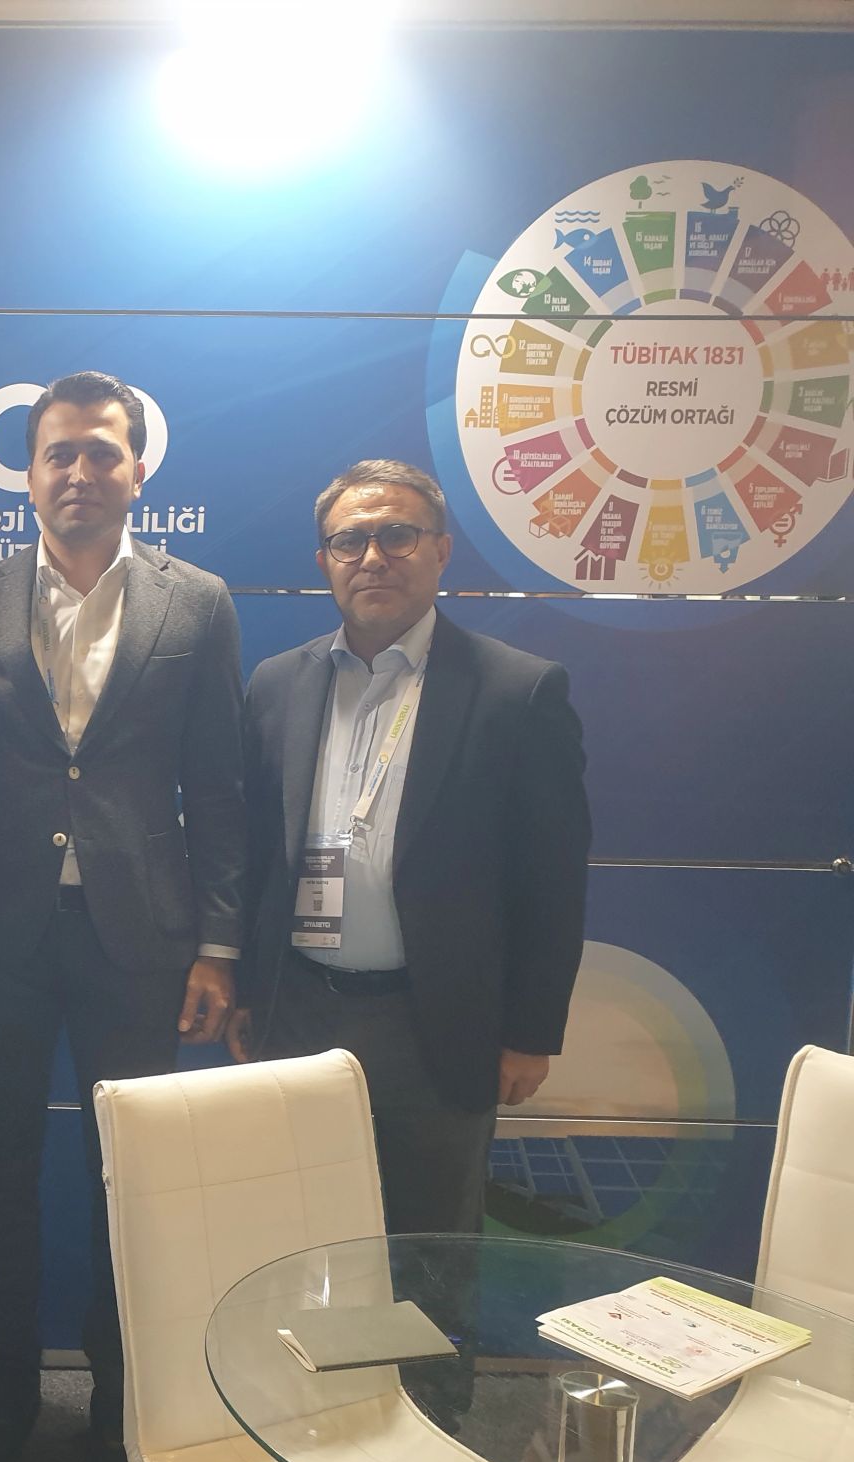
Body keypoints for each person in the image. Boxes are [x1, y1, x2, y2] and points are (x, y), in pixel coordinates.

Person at [0, 371, 245, 1462]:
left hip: (139, 937)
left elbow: (220, 786)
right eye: (57, 453)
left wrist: (220, 945)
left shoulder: (196, 604)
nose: (79, 472)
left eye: (101, 452)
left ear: (137, 470)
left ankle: (122, 1399)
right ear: (27, 474)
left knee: (134, 1179)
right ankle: (9, 1377)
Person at [234, 459, 590, 1234]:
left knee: (432, 1252)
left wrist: (530, 1033)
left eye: (397, 535)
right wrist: (247, 990)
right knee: (298, 1237)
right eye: (350, 540)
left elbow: (553, 883)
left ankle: (430, 1330)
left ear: (440, 550)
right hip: (297, 1012)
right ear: (324, 561)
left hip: (435, 1023)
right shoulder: (275, 685)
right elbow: (255, 852)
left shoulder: (516, 691)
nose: (372, 557)